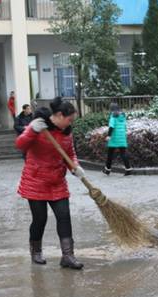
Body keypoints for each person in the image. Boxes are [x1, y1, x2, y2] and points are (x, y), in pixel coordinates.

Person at [16, 97, 86, 270]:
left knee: (64, 216)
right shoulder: (39, 127)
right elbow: (20, 144)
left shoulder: (66, 132)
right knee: (40, 219)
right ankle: (36, 252)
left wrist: (75, 166)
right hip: (36, 181)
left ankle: (68, 256)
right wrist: (32, 130)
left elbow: (70, 153)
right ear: (60, 115)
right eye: (69, 119)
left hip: (57, 181)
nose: (71, 123)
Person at [103, 103, 133, 176]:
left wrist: (109, 136)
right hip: (122, 137)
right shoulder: (122, 116)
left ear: (112, 109)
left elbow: (111, 127)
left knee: (110, 154)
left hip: (114, 137)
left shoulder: (113, 116)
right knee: (123, 153)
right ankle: (128, 169)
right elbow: (125, 127)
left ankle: (107, 170)